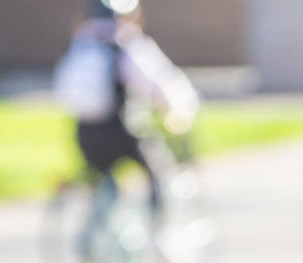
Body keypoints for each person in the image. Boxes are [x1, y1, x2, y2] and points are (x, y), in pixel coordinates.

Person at [53, 0, 199, 221]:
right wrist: (180, 108)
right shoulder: (126, 41)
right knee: (159, 172)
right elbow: (158, 82)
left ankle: (98, 226)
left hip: (85, 133)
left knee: (104, 178)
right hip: (121, 131)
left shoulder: (81, 43)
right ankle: (162, 238)